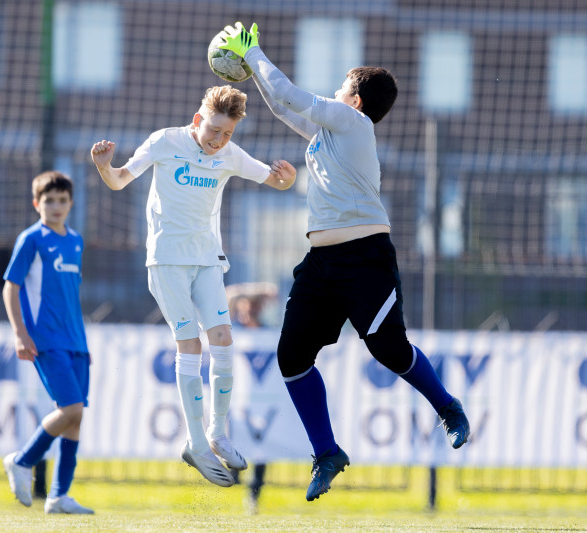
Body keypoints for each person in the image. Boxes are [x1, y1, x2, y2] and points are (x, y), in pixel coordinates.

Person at [218, 22, 471, 501]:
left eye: (340, 88)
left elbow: (290, 94)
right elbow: (282, 105)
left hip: (364, 258)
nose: (334, 93)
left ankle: (448, 407)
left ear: (354, 101)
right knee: (292, 358)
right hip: (321, 262)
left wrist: (254, 54)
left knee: (389, 350)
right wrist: (253, 72)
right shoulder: (327, 134)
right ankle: (327, 453)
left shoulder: (354, 124)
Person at [91, 85, 296, 487]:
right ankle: (196, 442)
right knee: (190, 345)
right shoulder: (164, 142)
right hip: (166, 261)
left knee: (223, 338)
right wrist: (103, 166)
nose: (219, 140)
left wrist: (287, 181)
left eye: (228, 134)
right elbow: (118, 180)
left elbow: (274, 181)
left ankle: (217, 433)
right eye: (214, 130)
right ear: (198, 120)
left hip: (207, 260)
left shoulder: (229, 155)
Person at [1, 170, 94, 514]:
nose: (56, 206)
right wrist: (20, 333)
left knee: (75, 418)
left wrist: (82, 343)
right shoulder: (31, 239)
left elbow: (69, 296)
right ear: (36, 203)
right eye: (49, 200)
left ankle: (58, 496)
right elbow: (10, 287)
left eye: (62, 200)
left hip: (76, 342)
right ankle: (22, 461)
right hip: (46, 340)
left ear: (71, 203)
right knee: (70, 409)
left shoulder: (76, 241)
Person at [225, 282, 278, 513]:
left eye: (256, 306)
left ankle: (253, 496)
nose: (251, 310)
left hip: (262, 403)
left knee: (261, 450)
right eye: (248, 304)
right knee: (232, 440)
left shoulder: (268, 334)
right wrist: (258, 290)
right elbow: (230, 294)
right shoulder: (232, 329)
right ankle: (233, 473)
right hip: (236, 400)